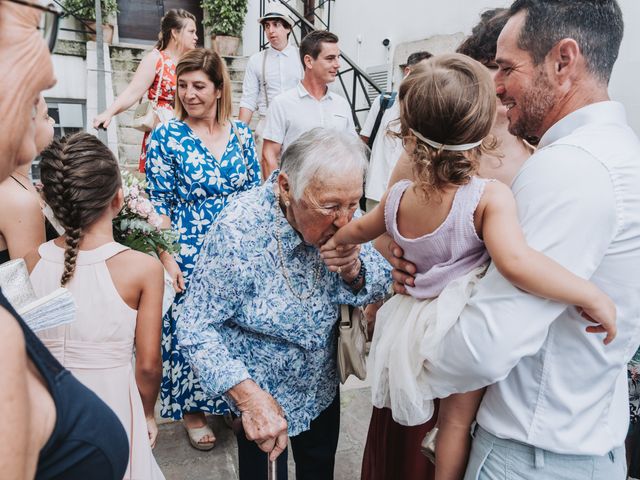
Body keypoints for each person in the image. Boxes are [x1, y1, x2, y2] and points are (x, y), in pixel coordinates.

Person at [323, 53, 616, 480]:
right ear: (483, 128)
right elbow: (517, 263)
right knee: (455, 424)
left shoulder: (398, 196)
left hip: (408, 322)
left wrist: (335, 243)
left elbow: (358, 231)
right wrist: (588, 292)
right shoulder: (488, 197)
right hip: (454, 321)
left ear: (409, 131)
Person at [384, 1, 640, 478]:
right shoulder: (617, 149)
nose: (496, 85)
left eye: (506, 68)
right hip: (581, 443)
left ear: (563, 62)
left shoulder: (571, 167)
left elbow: (483, 347)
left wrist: (402, 342)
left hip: (530, 455)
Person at [177, 128, 391, 480]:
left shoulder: (343, 221)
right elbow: (196, 327)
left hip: (320, 387)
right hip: (260, 395)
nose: (344, 220)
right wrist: (248, 398)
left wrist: (354, 269)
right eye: (331, 206)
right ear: (286, 187)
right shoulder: (238, 231)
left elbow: (380, 281)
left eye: (353, 204)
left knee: (319, 469)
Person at [0, 1, 128, 478]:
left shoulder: (20, 190)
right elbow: (24, 288)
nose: (51, 75)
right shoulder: (18, 202)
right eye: (33, 19)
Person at [28, 132, 165, 479]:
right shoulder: (143, 269)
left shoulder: (28, 263)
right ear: (118, 199)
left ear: (52, 204)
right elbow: (148, 366)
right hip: (113, 407)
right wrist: (147, 413)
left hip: (45, 408)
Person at [145, 47, 261, 451]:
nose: (189, 94)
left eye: (199, 86)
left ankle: (228, 396)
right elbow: (157, 205)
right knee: (188, 331)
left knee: (233, 326)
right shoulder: (166, 136)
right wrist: (166, 256)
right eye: (182, 86)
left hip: (235, 249)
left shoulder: (243, 135)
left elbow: (254, 198)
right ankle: (192, 410)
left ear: (217, 90)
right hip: (188, 248)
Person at [93, 8, 198, 173]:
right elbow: (132, 92)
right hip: (163, 130)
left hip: (188, 130)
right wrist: (109, 113)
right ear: (175, 33)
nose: (196, 37)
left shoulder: (191, 62)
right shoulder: (156, 59)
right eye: (191, 31)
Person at [261, 30, 356, 179]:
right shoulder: (282, 104)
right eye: (330, 58)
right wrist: (277, 196)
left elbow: (353, 150)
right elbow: (269, 155)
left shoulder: (342, 104)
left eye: (338, 58)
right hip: (297, 195)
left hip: (336, 192)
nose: (338, 64)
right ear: (309, 61)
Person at [359, 51, 432, 212]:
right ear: (407, 71)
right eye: (422, 73)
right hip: (376, 190)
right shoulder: (383, 102)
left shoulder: (428, 110)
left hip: (407, 196)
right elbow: (363, 141)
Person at [238, 3, 303, 159]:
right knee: (267, 178)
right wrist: (238, 136)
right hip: (267, 124)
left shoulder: (302, 57)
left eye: (276, 25)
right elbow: (248, 99)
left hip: (298, 124)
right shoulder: (256, 60)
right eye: (267, 26)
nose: (270, 30)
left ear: (288, 28)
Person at [0, 95, 58, 264]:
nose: (52, 122)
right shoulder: (18, 201)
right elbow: (35, 283)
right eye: (46, 116)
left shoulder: (16, 182)